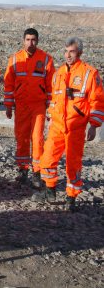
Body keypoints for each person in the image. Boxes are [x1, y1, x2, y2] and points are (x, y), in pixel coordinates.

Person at [31, 37, 104, 211]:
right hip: (57, 125)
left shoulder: (89, 73)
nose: (68, 55)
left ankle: (71, 198)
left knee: (73, 163)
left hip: (75, 128)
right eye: (66, 51)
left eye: (71, 51)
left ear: (79, 52)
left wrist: (94, 125)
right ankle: (50, 192)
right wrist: (50, 117)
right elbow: (54, 100)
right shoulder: (59, 73)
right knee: (47, 159)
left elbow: (97, 101)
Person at [3, 28, 55, 186]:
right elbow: (8, 84)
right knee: (21, 137)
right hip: (21, 105)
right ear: (23, 40)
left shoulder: (46, 59)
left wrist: (51, 111)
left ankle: (37, 172)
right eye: (27, 39)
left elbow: (52, 87)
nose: (30, 43)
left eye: (33, 40)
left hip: (38, 106)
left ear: (37, 41)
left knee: (37, 138)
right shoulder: (15, 59)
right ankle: (23, 169)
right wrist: (8, 105)